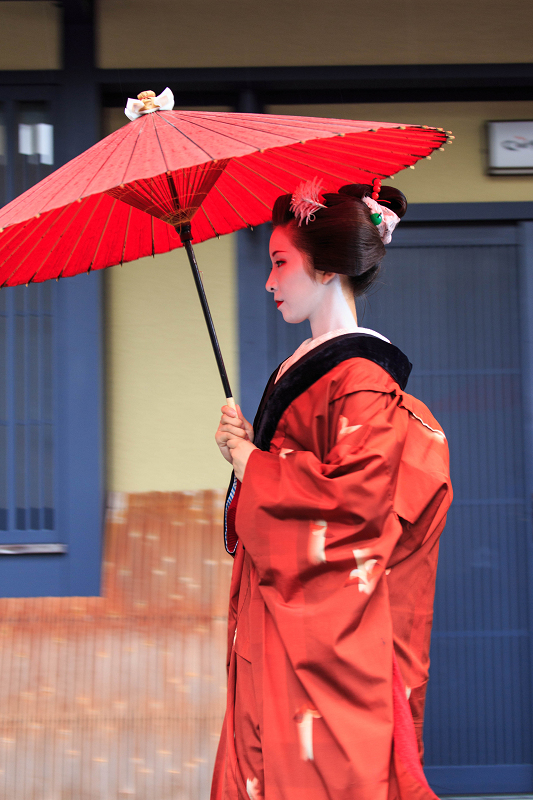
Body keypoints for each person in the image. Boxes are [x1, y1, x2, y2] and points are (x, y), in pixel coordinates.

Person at [212, 179, 452, 800]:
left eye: (279, 262)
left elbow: (352, 510)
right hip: (281, 612)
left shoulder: (361, 378)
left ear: (323, 267)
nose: (269, 282)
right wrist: (247, 452)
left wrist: (250, 463)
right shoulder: (315, 365)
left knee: (320, 774)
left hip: (327, 631)